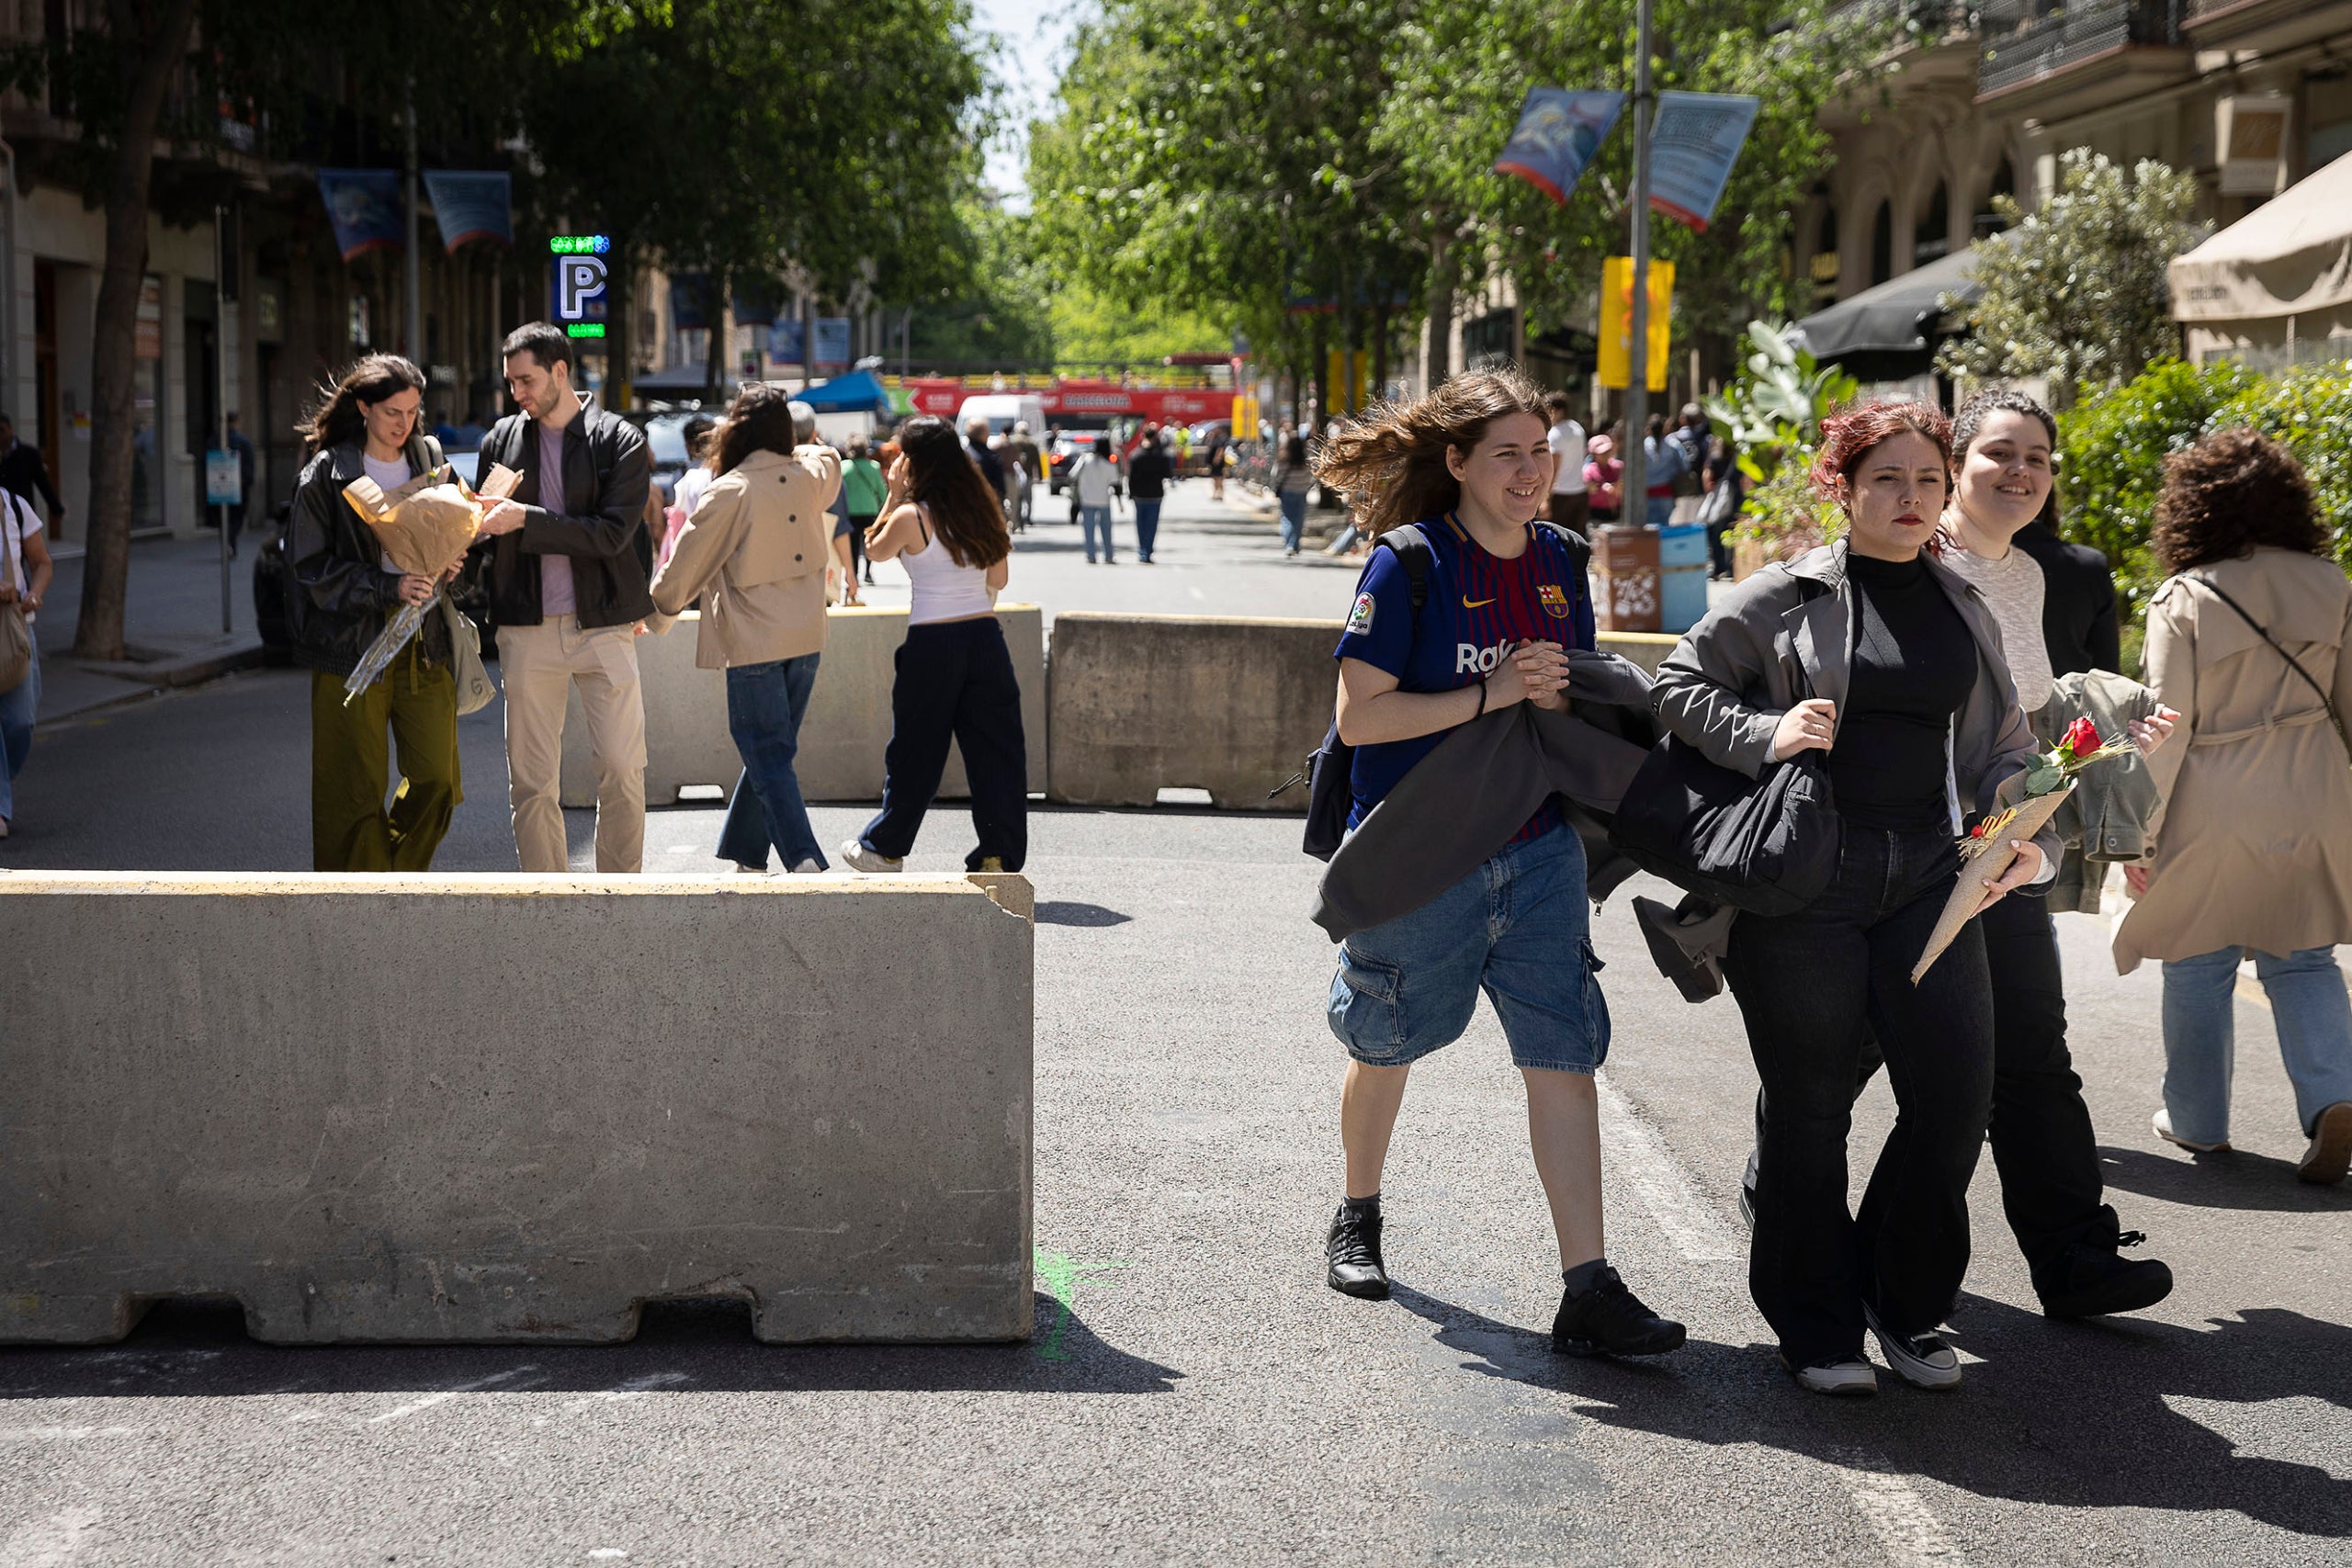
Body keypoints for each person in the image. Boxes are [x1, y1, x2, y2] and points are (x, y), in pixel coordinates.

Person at [1653, 400, 2054, 1396]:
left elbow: (2005, 742)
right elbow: (1677, 684)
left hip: (1930, 873)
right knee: (1811, 1106)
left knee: (1954, 1095)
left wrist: (2020, 836)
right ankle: (1815, 1323)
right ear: (1842, 485)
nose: (1910, 497)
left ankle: (1901, 1298)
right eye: (1887, 479)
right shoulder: (1787, 592)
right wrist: (1768, 731)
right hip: (1808, 880)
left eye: (1927, 480)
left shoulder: (1962, 600)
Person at [1316, 367, 1686, 1359]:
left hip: (1537, 850)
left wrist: (1564, 694)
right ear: (1457, 462)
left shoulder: (1562, 557)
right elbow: (1361, 718)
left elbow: (1564, 704)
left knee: (1565, 1053)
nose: (1529, 473)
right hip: (1418, 852)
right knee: (1385, 1042)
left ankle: (1588, 1288)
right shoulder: (1409, 563)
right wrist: (1497, 692)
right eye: (1506, 455)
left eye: (1540, 453)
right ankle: (1358, 1213)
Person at [1915, 389, 2179, 1316]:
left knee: (2032, 1052)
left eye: (2035, 456)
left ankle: (2075, 1259)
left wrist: (2110, 736)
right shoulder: (1913, 559)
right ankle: (1790, 1197)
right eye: (1999, 452)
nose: (2019, 471)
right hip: (1913, 848)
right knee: (1862, 1055)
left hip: (2006, 844)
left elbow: (2031, 723)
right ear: (1955, 463)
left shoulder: (2030, 575)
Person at [2116, 428, 2352, 1185]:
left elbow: (2167, 731)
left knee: (2196, 957)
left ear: (2195, 508)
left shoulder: (2185, 596)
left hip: (2214, 799)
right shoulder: (2333, 585)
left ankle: (2198, 1119)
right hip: (2316, 792)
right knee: (2305, 955)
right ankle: (2334, 1097)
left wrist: (2140, 837)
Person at [469, 321, 654, 874]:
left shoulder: (619, 439)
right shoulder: (500, 440)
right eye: (510, 383)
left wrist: (525, 520)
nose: (517, 394)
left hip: (604, 623)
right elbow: (486, 528)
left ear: (560, 371)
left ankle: (620, 895)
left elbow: (612, 534)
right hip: (525, 626)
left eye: (526, 381)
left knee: (623, 768)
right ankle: (546, 897)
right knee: (531, 781)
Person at [649, 385, 841, 875]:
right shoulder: (810, 474)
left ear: (736, 428)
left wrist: (657, 615)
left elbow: (685, 565)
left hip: (754, 641)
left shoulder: (730, 490)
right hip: (807, 637)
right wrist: (787, 447)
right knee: (772, 752)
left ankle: (804, 858)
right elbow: (827, 455)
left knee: (766, 752)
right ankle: (746, 852)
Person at [283, 355, 463, 873]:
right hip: (351, 649)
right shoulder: (326, 472)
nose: (404, 423)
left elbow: (459, 538)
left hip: (424, 644)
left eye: (412, 411)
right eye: (391, 412)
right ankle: (364, 903)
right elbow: (307, 569)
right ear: (363, 408)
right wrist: (388, 585)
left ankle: (391, 881)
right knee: (352, 793)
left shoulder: (431, 461)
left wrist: (454, 562)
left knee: (438, 780)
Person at [839, 416, 1024, 874]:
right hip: (985, 638)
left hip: (933, 640)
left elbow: (874, 549)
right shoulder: (983, 510)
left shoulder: (911, 516)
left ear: (914, 461)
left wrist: (894, 495)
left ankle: (885, 848)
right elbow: (999, 579)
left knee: (916, 750)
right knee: (996, 751)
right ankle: (997, 855)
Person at [0, 479, 53, 841]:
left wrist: (33, 593)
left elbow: (42, 563)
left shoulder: (15, 507)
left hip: (16, 629)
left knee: (21, 722)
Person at [0, 413, 65, 536]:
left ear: (10, 429)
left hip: (21, 513)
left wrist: (56, 508)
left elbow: (43, 483)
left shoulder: (28, 454)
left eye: (2, 431)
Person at [841, 433, 886, 588]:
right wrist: (883, 504)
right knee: (868, 544)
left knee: (853, 545)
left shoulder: (844, 467)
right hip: (869, 510)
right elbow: (881, 490)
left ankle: (853, 574)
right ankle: (867, 572)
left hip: (850, 511)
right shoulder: (874, 467)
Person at [1542, 391, 1588, 533]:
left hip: (1560, 494)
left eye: (1549, 410)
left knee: (1557, 537)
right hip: (1580, 491)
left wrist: (1546, 498)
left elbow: (1554, 467)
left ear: (1559, 411)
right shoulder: (1578, 428)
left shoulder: (1555, 434)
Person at [1126, 423, 1173, 564]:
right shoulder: (1160, 455)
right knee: (1151, 525)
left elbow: (1131, 477)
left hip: (1139, 494)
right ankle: (1148, 550)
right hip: (1155, 494)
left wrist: (1131, 492)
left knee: (1140, 524)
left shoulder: (1135, 455)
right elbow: (1168, 473)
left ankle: (1142, 550)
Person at [1069, 435, 1118, 564]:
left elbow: (1072, 474)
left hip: (1087, 499)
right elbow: (1115, 483)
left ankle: (1091, 555)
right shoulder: (1109, 464)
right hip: (1104, 500)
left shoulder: (1085, 460)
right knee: (1106, 530)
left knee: (1089, 529)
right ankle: (1108, 555)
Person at [1701, 433, 1742, 581]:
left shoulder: (1715, 457)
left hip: (1720, 502)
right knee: (1732, 533)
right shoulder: (1738, 457)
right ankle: (1730, 568)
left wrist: (1710, 493)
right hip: (1736, 500)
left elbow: (1707, 476)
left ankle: (1719, 567)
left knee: (1717, 535)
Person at [1640, 412, 1685, 528]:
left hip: (1646, 494)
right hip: (1666, 492)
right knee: (1665, 528)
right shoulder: (1673, 444)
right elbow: (1685, 465)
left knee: (1648, 530)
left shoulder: (1642, 446)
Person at [1272, 431, 1312, 556]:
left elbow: (1276, 475)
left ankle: (1289, 544)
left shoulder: (1283, 460)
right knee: (1299, 519)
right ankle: (1295, 544)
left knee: (1287, 518)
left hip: (1287, 492)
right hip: (1301, 492)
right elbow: (1310, 476)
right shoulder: (1306, 461)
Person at [1006, 421, 1042, 530]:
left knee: (1016, 497)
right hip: (1028, 474)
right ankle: (1028, 517)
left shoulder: (1012, 441)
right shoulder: (1032, 443)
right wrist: (1040, 475)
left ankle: (1016, 518)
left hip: (1014, 474)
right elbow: (1037, 461)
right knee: (1028, 497)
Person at [1583, 433, 1623, 525]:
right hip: (1596, 514)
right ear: (1594, 454)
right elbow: (1589, 489)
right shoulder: (1589, 471)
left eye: (1607, 451)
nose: (1605, 455)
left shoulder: (1618, 467)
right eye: (1602, 453)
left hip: (1617, 513)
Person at [965, 416, 1005, 501]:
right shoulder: (992, 458)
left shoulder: (960, 456)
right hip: (986, 503)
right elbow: (1001, 489)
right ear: (984, 434)